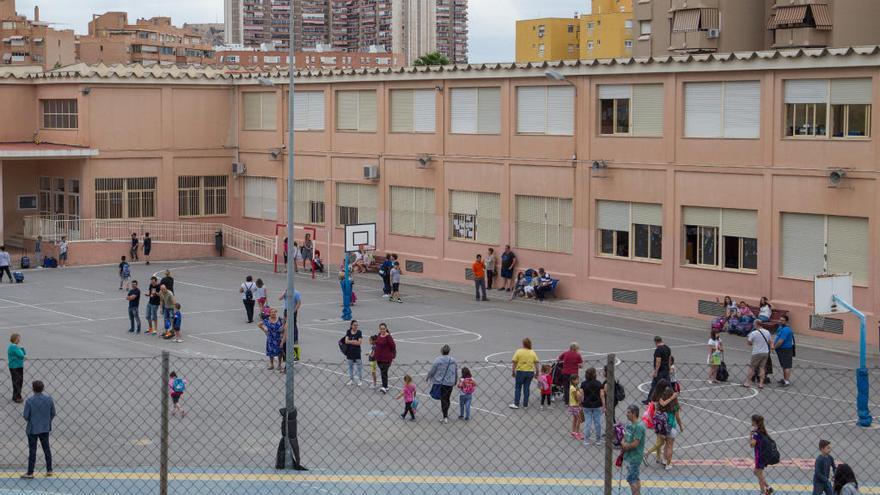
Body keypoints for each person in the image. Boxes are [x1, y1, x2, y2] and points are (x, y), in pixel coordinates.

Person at [21, 380, 55, 479]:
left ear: (33, 389)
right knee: (46, 448)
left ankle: (30, 472)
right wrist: (46, 421)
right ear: (43, 388)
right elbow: (53, 413)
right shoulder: (49, 399)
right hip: (44, 428)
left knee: (32, 450)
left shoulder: (29, 401)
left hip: (33, 428)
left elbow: (26, 416)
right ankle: (49, 469)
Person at [426, 344, 458, 423]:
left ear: (441, 351)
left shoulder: (438, 360)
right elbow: (455, 371)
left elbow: (432, 370)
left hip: (442, 382)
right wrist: (455, 380)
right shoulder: (453, 360)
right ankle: (446, 414)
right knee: (447, 398)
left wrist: (428, 376)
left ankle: (445, 416)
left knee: (443, 399)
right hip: (450, 382)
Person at [621, 404, 647, 495]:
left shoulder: (639, 427)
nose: (626, 414)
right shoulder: (629, 425)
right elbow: (624, 437)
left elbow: (636, 443)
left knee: (631, 479)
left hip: (634, 457)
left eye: (628, 412)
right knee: (635, 478)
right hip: (628, 456)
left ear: (634, 413)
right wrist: (623, 443)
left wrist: (625, 446)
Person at [643, 378, 669, 465]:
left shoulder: (655, 394)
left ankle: (658, 458)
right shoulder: (660, 396)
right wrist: (672, 397)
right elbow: (663, 404)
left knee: (659, 440)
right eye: (666, 387)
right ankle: (646, 454)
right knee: (662, 441)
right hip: (659, 419)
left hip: (656, 419)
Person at [509, 338, 540, 409]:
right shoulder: (532, 352)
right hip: (530, 372)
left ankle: (516, 403)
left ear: (523, 344)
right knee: (526, 388)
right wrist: (537, 372)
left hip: (520, 371)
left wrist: (513, 371)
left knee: (518, 388)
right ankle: (525, 405)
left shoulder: (519, 351)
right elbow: (536, 363)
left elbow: (514, 362)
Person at [581, 367, 605, 447]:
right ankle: (598, 440)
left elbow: (581, 395)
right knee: (597, 423)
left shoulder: (583, 383)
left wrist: (581, 403)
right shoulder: (599, 383)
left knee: (588, 422)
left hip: (587, 405)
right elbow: (602, 395)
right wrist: (603, 404)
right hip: (597, 405)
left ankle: (586, 440)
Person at [744, 321, 772, 389]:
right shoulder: (767, 332)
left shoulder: (754, 333)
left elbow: (749, 342)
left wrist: (754, 343)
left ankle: (747, 382)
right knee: (762, 368)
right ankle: (761, 383)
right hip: (765, 352)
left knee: (752, 367)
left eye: (754, 324)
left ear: (756, 324)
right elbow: (769, 341)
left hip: (757, 352)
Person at [750, 414, 774, 495]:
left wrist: (750, 436)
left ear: (755, 421)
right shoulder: (762, 430)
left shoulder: (756, 433)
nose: (751, 422)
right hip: (763, 455)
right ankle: (766, 489)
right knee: (758, 473)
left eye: (752, 420)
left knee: (758, 473)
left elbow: (752, 445)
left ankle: (766, 490)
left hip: (759, 456)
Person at [658, 386, 681, 470]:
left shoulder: (662, 403)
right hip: (672, 427)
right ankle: (668, 464)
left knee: (666, 444)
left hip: (662, 427)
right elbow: (678, 418)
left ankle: (664, 460)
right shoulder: (675, 404)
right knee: (670, 446)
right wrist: (681, 426)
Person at [258, 307, 287, 373]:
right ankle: (272, 364)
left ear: (276, 312)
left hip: (278, 338)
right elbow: (259, 324)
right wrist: (265, 331)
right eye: (272, 312)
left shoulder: (280, 319)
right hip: (270, 338)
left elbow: (285, 324)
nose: (273, 313)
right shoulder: (267, 320)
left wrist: (282, 331)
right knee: (270, 352)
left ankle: (279, 364)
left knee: (279, 352)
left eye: (274, 312)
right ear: (269, 313)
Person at [644, 336, 671, 404]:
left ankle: (649, 400)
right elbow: (669, 359)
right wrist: (669, 368)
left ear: (656, 342)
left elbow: (658, 361)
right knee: (668, 385)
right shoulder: (668, 348)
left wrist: (655, 371)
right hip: (666, 370)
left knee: (654, 385)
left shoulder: (658, 350)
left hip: (660, 371)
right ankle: (672, 397)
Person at [373, 323, 396, 393]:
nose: (382, 330)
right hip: (379, 358)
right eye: (381, 329)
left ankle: (384, 386)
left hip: (386, 358)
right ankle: (385, 385)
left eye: (383, 329)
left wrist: (390, 354)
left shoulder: (388, 337)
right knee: (383, 372)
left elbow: (393, 346)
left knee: (384, 372)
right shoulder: (379, 335)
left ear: (386, 329)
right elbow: (376, 344)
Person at [773, 315, 794, 387]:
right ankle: (784, 379)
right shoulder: (780, 327)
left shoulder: (786, 329)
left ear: (786, 321)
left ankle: (786, 381)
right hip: (781, 349)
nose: (780, 321)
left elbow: (780, 341)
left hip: (785, 349)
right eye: (780, 320)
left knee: (787, 365)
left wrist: (774, 347)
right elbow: (777, 337)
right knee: (783, 365)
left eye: (782, 320)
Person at [343, 320, 363, 386]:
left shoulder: (359, 332)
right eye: (354, 325)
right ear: (351, 325)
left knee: (359, 367)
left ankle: (360, 380)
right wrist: (354, 341)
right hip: (349, 352)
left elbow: (359, 342)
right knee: (350, 367)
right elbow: (346, 341)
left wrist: (350, 341)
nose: (356, 326)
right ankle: (351, 379)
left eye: (357, 325)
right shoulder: (348, 332)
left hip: (357, 352)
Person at [8, 333, 25, 403]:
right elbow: (21, 355)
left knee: (19, 381)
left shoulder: (16, 347)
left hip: (19, 366)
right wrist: (20, 348)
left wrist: (21, 348)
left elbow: (24, 353)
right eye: (18, 338)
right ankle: (17, 397)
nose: (19, 340)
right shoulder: (13, 347)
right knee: (17, 382)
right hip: (15, 367)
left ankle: (16, 396)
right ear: (15, 339)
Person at [568, 375, 584, 440]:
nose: (578, 381)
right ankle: (577, 432)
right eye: (577, 380)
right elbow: (576, 397)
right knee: (579, 419)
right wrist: (580, 403)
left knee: (575, 419)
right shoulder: (573, 388)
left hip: (573, 405)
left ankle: (573, 431)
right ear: (573, 380)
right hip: (575, 405)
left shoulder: (575, 387)